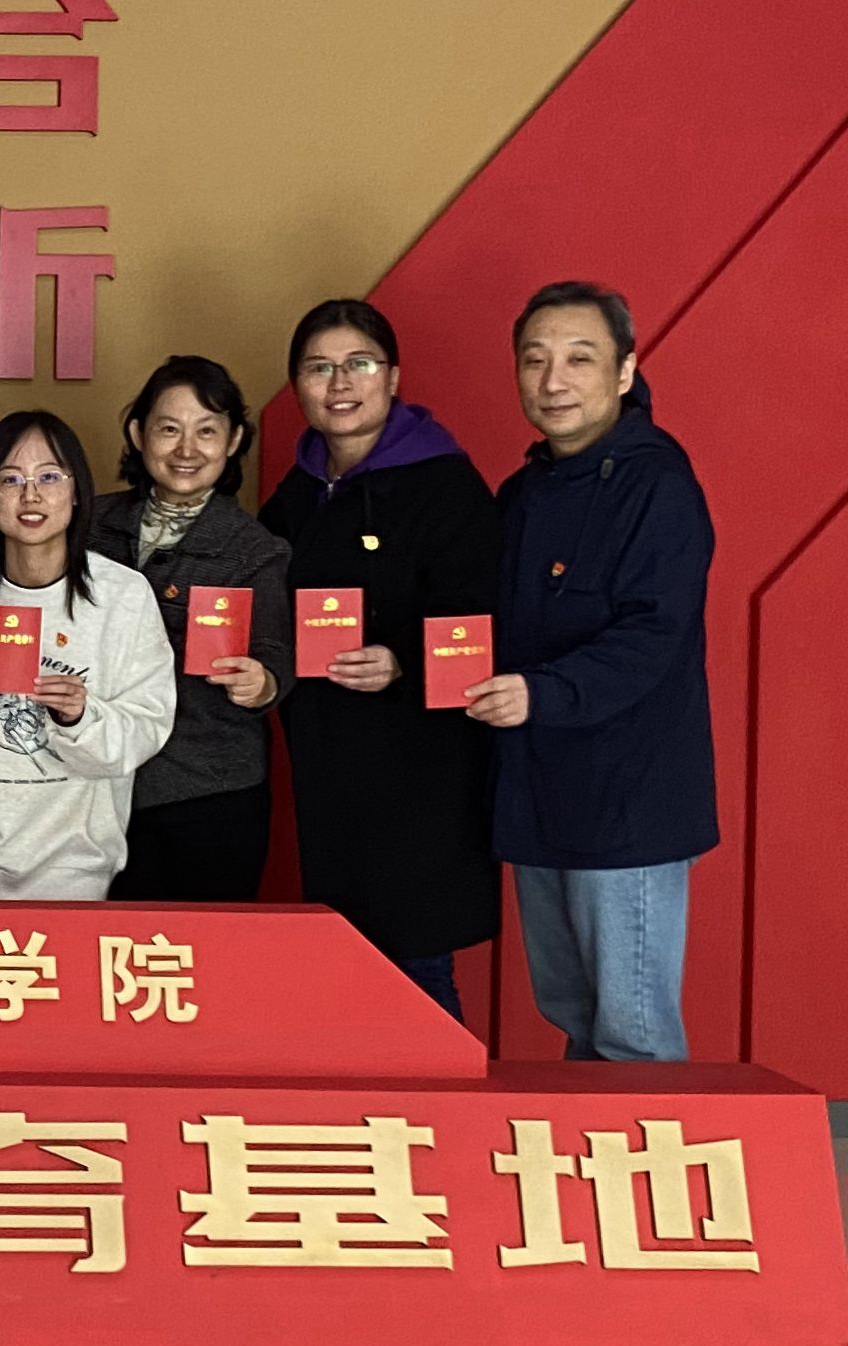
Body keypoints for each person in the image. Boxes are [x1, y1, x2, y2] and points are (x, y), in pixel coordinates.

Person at [470, 283, 715, 1062]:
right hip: (537, 792)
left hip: (627, 805)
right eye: (534, 360)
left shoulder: (658, 485)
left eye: (580, 359)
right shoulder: (522, 494)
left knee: (631, 1032)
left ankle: (648, 1150)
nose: (554, 381)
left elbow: (652, 635)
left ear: (624, 370)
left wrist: (541, 692)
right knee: (573, 1013)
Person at [260, 299, 501, 1016]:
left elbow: (482, 615)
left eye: (359, 364)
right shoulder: (297, 494)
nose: (340, 384)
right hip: (329, 761)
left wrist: (401, 661)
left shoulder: (445, 483)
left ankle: (443, 1090)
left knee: (415, 955)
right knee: (349, 960)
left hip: (420, 765)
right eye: (319, 368)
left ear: (393, 378)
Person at [0, 411, 174, 899]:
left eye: (50, 477)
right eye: (10, 479)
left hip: (71, 869)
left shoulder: (123, 595)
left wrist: (79, 717)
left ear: (77, 492)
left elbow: (147, 727)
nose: (30, 495)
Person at [88, 357, 294, 901]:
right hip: (96, 784)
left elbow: (274, 652)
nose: (187, 449)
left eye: (206, 431)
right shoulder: (88, 526)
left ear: (233, 441)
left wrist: (262, 682)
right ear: (138, 434)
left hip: (209, 792)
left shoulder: (255, 549)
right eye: (169, 429)